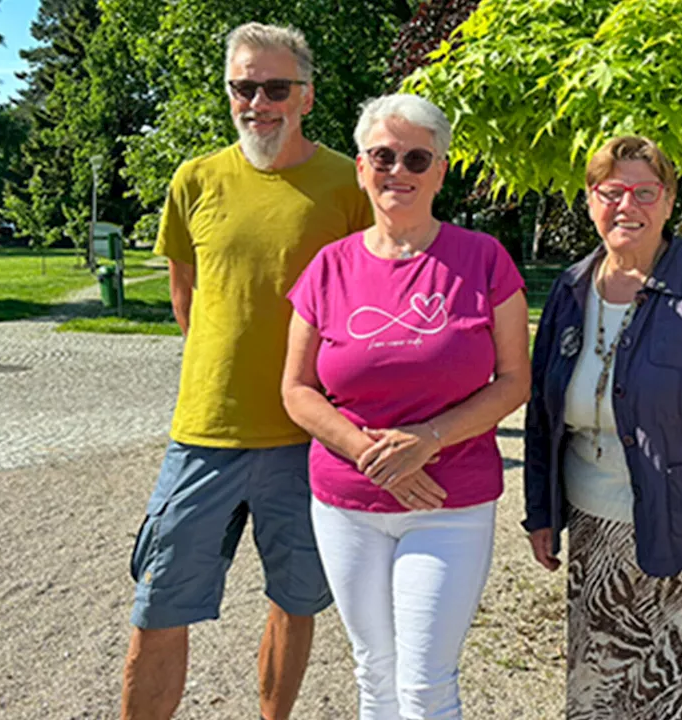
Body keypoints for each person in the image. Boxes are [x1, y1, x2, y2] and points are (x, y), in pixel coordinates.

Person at [120, 22, 373, 720]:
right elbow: (186, 293)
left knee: (295, 600)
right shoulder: (195, 178)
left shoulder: (346, 186)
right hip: (204, 433)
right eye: (243, 86)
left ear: (307, 96)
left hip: (304, 437)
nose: (257, 101)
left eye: (275, 87)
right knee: (159, 602)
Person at [282, 93, 530, 720]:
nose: (400, 171)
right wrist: (370, 453)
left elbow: (513, 381)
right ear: (361, 168)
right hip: (347, 504)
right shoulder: (328, 268)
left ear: (441, 170)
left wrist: (430, 439)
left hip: (448, 504)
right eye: (384, 156)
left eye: (417, 157)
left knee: (425, 682)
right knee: (375, 673)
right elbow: (297, 390)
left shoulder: (484, 259)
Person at [523, 135, 682, 719]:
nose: (627, 206)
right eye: (611, 191)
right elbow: (542, 413)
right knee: (605, 690)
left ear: (668, 202)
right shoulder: (569, 290)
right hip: (595, 539)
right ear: (590, 200)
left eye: (645, 192)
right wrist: (541, 511)